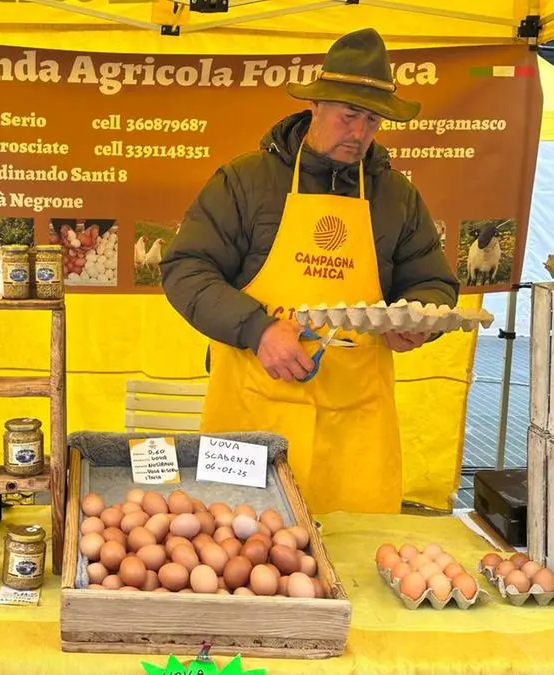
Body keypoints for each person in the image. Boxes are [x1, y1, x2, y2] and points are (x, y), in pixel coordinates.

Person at [160, 28, 459, 515]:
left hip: (357, 422)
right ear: (316, 107)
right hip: (252, 410)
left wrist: (418, 322)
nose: (360, 133)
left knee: (358, 558)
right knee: (241, 551)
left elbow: (434, 283)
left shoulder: (397, 197)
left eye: (371, 120)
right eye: (349, 116)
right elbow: (186, 269)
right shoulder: (245, 181)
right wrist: (257, 330)